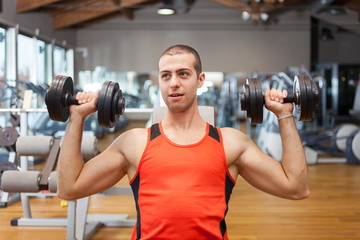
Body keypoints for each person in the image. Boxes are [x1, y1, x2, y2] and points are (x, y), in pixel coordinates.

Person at [57, 44, 309, 240]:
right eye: (166, 75)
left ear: (200, 80)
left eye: (183, 74)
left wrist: (285, 115)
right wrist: (76, 119)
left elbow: (295, 187)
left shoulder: (230, 143)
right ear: (160, 82)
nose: (174, 82)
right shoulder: (134, 143)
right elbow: (69, 188)